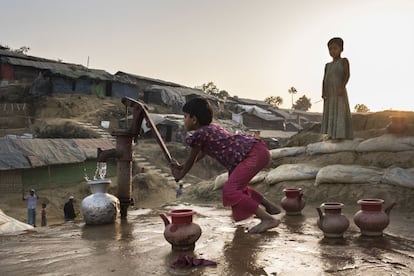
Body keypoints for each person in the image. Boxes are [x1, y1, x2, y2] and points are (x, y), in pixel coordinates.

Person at [170, 98, 281, 233]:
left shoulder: (200, 134)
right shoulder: (210, 129)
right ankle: (270, 207)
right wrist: (181, 167)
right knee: (239, 189)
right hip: (257, 150)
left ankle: (268, 219)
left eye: (185, 116)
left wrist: (179, 174)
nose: (184, 120)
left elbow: (192, 158)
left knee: (230, 190)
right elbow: (198, 156)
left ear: (194, 119)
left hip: (252, 154)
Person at [321, 37, 354, 140]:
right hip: (329, 93)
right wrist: (323, 92)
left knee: (339, 111)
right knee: (329, 112)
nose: (332, 51)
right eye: (330, 49)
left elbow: (347, 75)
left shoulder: (344, 61)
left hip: (339, 91)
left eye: (335, 48)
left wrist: (342, 87)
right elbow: (324, 79)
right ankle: (330, 135)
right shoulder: (327, 65)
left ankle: (340, 135)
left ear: (341, 49)